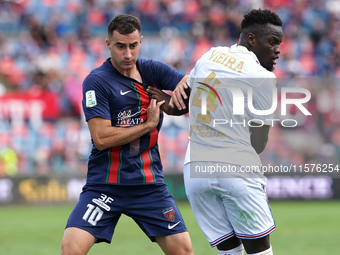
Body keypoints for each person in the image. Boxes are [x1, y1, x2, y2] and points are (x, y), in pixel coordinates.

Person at [60, 14, 193, 255]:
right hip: (105, 186)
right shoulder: (97, 81)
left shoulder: (152, 70)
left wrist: (176, 104)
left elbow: (189, 86)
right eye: (121, 46)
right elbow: (101, 139)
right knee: (71, 249)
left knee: (184, 251)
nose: (128, 54)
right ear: (108, 44)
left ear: (141, 41)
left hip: (148, 185)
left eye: (133, 45)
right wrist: (148, 123)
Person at [169, 9, 283, 255]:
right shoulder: (263, 77)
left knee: (229, 252)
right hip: (236, 169)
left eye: (279, 44)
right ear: (251, 39)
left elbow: (181, 102)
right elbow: (259, 144)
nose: (277, 50)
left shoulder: (210, 55)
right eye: (272, 42)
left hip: (195, 171)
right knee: (259, 251)